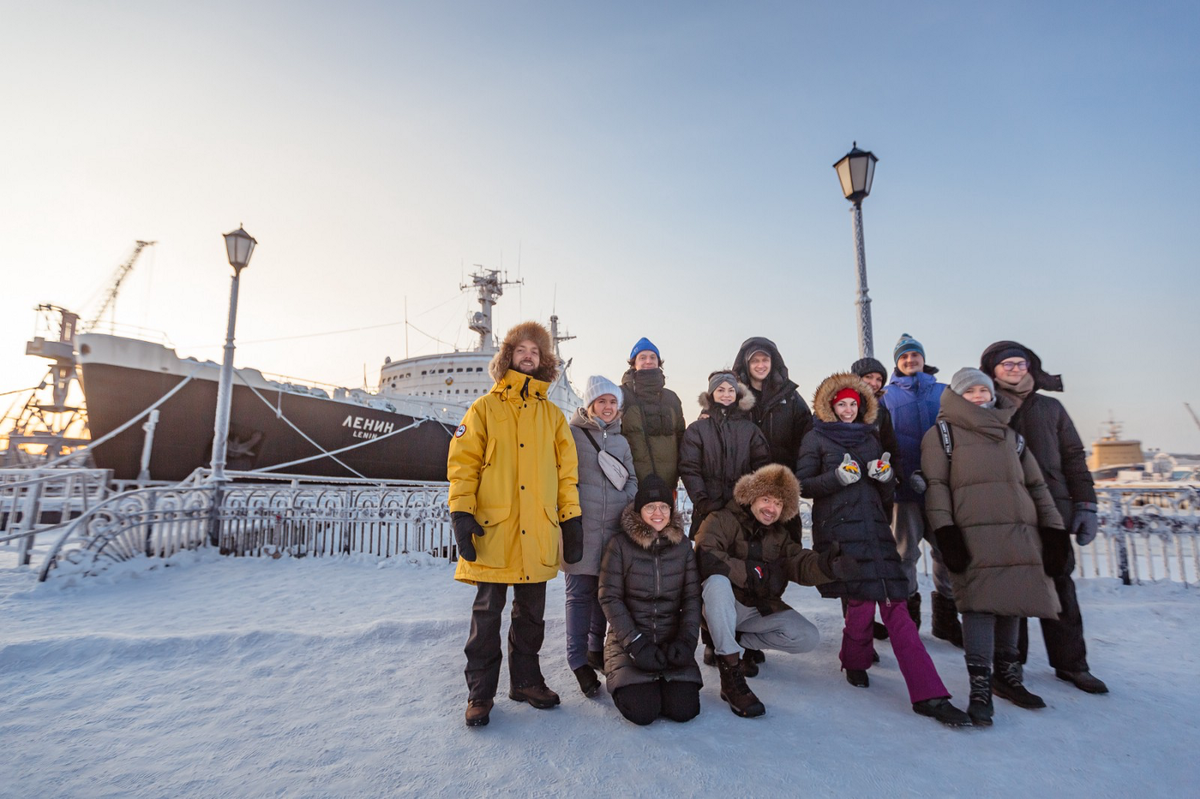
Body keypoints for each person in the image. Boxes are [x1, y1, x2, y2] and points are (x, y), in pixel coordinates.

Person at [796, 373, 969, 726]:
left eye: (853, 404)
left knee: (893, 602)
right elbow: (802, 484)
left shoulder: (871, 437)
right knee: (860, 601)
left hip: (875, 527)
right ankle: (857, 662)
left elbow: (886, 494)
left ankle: (927, 692)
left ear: (862, 407)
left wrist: (886, 475)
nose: (847, 410)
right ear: (830, 406)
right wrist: (836, 479)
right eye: (841, 404)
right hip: (840, 530)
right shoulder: (815, 437)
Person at [448, 321, 584, 727]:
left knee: (531, 616)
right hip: (495, 529)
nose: (528, 356)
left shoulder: (553, 416)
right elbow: (463, 464)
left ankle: (526, 681)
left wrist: (571, 519)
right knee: (487, 616)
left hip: (538, 530)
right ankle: (479, 694)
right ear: (509, 356)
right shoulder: (484, 409)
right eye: (522, 349)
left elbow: (566, 475)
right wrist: (461, 511)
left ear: (544, 361)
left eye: (535, 351)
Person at [921, 368, 1068, 726]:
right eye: (969, 391)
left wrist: (1054, 530)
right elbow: (936, 485)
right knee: (979, 606)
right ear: (956, 396)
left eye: (982, 391)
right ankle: (980, 685)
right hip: (973, 532)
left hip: (1019, 532)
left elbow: (1036, 486)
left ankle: (1007, 674)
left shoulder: (1010, 436)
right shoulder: (942, 435)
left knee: (1012, 600)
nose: (977, 396)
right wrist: (946, 531)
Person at [980, 341, 1108, 694]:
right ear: (992, 370)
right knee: (1012, 589)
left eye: (1020, 364)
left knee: (1060, 587)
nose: (1014, 369)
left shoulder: (1050, 408)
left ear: (1031, 368)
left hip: (1052, 510)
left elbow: (1074, 457)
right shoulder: (985, 406)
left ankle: (1072, 664)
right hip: (1007, 512)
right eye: (1007, 364)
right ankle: (1010, 664)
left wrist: (1086, 505)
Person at [695, 463, 854, 718]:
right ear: (752, 496)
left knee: (807, 637)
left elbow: (798, 561)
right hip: (721, 606)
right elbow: (706, 554)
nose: (771, 508)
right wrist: (751, 572)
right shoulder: (722, 519)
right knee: (717, 583)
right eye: (766, 499)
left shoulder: (779, 536)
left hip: (755, 610)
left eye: (778, 504)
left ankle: (732, 640)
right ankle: (730, 673)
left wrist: (827, 566)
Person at [598, 476, 702, 725]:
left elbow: (691, 597)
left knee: (684, 709)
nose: (658, 513)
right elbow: (609, 596)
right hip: (629, 642)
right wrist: (636, 644)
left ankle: (665, 684)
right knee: (643, 711)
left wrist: (686, 641)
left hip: (671, 641)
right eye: (650, 507)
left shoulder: (683, 547)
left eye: (664, 507)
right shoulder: (620, 545)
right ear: (639, 511)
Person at [563, 375, 639, 698]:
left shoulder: (621, 441)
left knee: (602, 593)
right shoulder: (573, 435)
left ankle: (595, 648)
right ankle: (577, 660)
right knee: (579, 595)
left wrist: (627, 503)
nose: (607, 407)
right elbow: (563, 476)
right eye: (601, 402)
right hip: (581, 529)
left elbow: (632, 479)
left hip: (612, 531)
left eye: (612, 402)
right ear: (590, 404)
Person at [880, 333, 954, 638]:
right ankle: (908, 617)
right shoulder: (887, 396)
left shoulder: (945, 392)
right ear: (897, 363)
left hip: (941, 488)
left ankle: (947, 617)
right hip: (905, 490)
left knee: (947, 550)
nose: (910, 360)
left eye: (915, 355)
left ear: (923, 359)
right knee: (905, 554)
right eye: (904, 357)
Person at [849, 356, 903, 643]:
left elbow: (892, 448)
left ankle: (869, 620)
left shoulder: (882, 414)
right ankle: (856, 627)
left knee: (876, 557)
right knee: (852, 560)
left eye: (878, 379)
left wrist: (895, 476)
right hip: (847, 494)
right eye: (868, 377)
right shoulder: (840, 407)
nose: (873, 383)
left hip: (877, 492)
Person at [678, 371, 771, 538]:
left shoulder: (750, 430)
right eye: (720, 390)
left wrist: (750, 498)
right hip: (708, 509)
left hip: (743, 510)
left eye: (731, 390)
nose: (726, 395)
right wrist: (702, 501)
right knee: (708, 555)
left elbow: (762, 466)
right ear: (711, 393)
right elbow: (689, 468)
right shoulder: (697, 429)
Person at [730, 337, 813, 468]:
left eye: (765, 360)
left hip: (781, 476)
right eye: (755, 361)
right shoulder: (733, 396)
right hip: (742, 478)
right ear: (746, 363)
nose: (760, 365)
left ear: (772, 362)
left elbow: (807, 435)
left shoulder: (790, 396)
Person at [620, 337, 685, 490]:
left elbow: (682, 438)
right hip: (632, 486)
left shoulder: (671, 398)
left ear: (658, 362)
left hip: (667, 486)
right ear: (634, 363)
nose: (648, 361)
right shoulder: (622, 395)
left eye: (652, 357)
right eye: (642, 357)